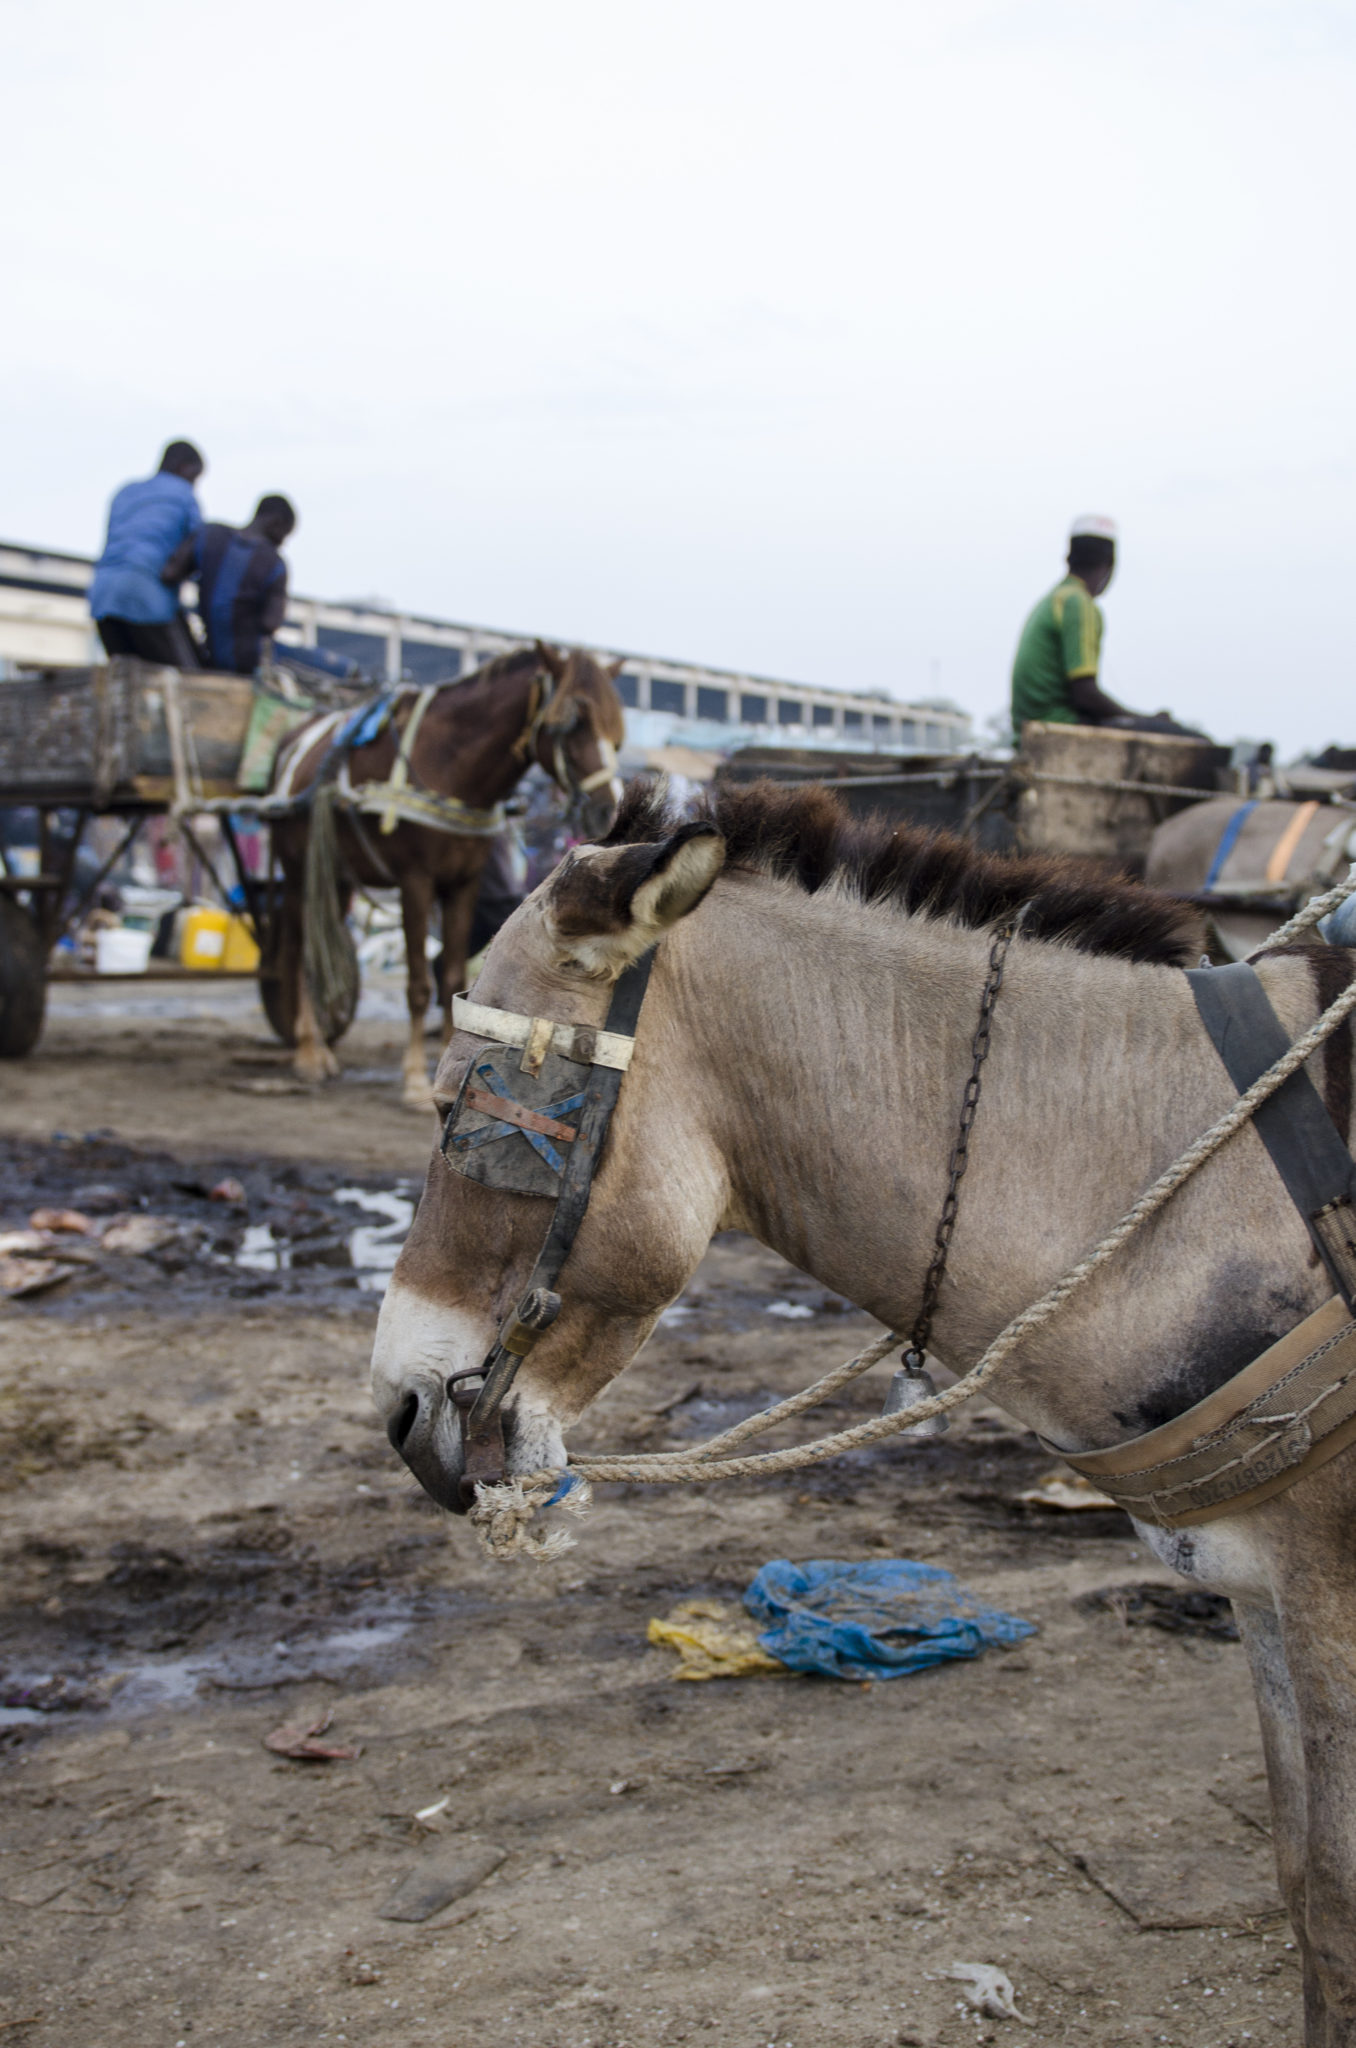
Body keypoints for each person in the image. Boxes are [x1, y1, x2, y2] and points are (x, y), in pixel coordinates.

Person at [1010, 515, 1204, 739]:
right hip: (1059, 724)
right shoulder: (1078, 604)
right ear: (1110, 565)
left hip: (1034, 725)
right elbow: (1084, 693)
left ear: (1068, 558)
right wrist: (1139, 719)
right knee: (1194, 740)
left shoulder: (1056, 598)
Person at [88, 440, 205, 667]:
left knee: (125, 680)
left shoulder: (125, 492)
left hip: (103, 596)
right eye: (195, 477)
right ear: (184, 468)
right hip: (147, 596)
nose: (194, 484)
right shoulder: (184, 496)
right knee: (185, 679)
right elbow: (195, 548)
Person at [175, 495, 297, 675]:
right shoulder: (274, 563)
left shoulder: (209, 534)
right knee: (337, 668)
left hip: (210, 656)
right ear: (275, 522)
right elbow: (271, 623)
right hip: (247, 664)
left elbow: (171, 572)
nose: (282, 543)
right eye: (284, 535)